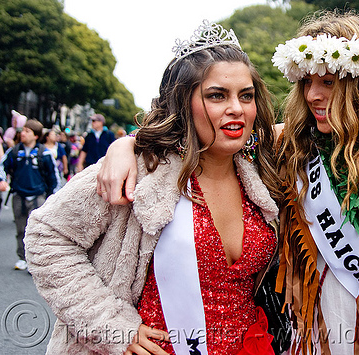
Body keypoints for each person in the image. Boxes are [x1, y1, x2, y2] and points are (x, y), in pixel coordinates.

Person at [97, 12, 359, 354]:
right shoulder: (289, 150)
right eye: (307, 82)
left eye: (328, 81)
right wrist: (126, 145)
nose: (313, 95)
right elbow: (203, 136)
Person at [24, 20, 282, 354]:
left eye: (246, 96)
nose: (236, 108)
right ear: (183, 103)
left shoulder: (262, 167)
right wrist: (112, 326)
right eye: (217, 95)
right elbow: (46, 236)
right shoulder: (143, 169)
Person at [0, 119, 59, 271]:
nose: (22, 134)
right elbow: (1, 167)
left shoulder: (44, 153)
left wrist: (54, 198)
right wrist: (2, 181)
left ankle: (36, 259)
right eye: (22, 130)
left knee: (38, 231)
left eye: (27, 131)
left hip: (38, 196)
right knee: (20, 229)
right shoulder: (14, 151)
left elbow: (54, 177)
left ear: (36, 136)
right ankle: (22, 258)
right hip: (19, 195)